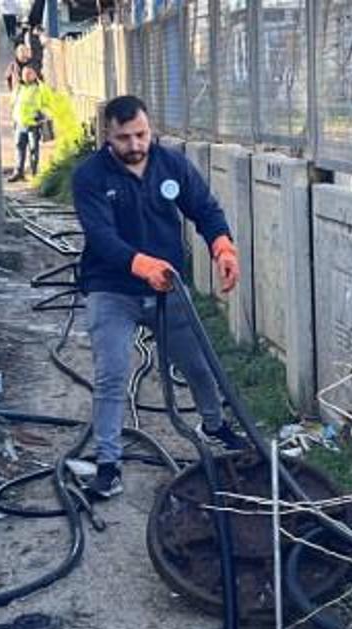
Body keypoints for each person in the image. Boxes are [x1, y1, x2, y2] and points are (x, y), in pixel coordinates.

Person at [72, 95, 247, 499]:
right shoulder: (89, 177)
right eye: (124, 138)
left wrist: (223, 248)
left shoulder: (171, 165)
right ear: (107, 136)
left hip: (167, 287)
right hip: (112, 289)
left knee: (200, 366)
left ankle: (214, 426)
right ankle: (108, 462)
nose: (135, 145)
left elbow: (204, 209)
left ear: (150, 130)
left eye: (141, 135)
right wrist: (141, 265)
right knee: (112, 373)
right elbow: (101, 237)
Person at [9, 66, 60, 182]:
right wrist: (14, 119)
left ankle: (34, 173)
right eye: (24, 74)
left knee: (33, 150)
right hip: (20, 123)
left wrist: (44, 115)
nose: (26, 76)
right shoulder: (19, 88)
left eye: (29, 74)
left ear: (35, 75)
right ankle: (18, 172)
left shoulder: (40, 88)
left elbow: (48, 103)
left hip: (33, 124)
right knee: (19, 148)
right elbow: (13, 103)